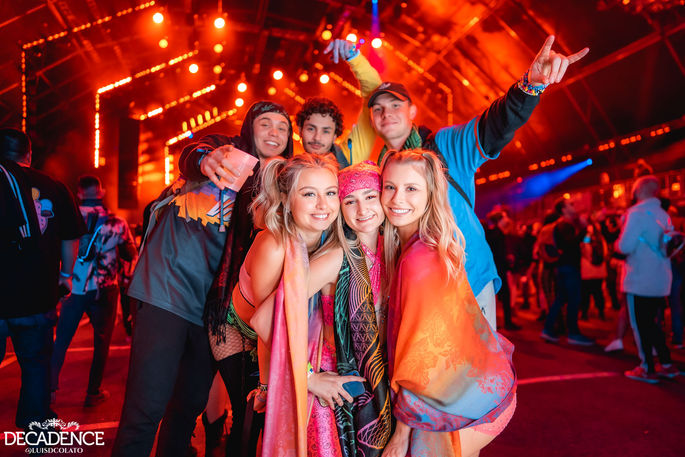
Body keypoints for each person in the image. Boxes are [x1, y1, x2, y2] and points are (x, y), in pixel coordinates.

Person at [367, 35, 589, 331]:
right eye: (378, 109)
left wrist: (530, 86)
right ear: (372, 119)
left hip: (466, 278)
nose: (387, 113)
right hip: (415, 286)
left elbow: (493, 127)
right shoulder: (377, 170)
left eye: (395, 105)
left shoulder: (444, 146)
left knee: (476, 362)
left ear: (413, 111)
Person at [112, 101, 294, 457]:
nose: (274, 132)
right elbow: (195, 154)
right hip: (166, 291)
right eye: (265, 123)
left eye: (282, 127)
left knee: (187, 405)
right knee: (146, 406)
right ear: (248, 128)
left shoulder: (277, 188)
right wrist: (205, 159)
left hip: (212, 308)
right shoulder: (229, 152)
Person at [379, 149, 516, 457]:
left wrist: (401, 434)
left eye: (411, 188)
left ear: (431, 195)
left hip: (463, 401)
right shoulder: (422, 245)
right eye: (390, 186)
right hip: (471, 389)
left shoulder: (420, 259)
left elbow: (421, 358)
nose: (397, 198)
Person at [244, 153, 365, 457]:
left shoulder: (329, 235)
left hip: (283, 333)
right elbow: (266, 325)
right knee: (255, 426)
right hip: (243, 331)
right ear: (286, 199)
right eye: (309, 194)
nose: (323, 205)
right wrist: (306, 379)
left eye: (330, 193)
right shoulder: (273, 245)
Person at [0, 127, 85, 429]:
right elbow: (71, 236)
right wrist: (66, 275)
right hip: (35, 294)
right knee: (36, 366)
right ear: (29, 153)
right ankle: (35, 430)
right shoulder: (53, 186)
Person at [307, 161, 392, 456]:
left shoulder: (392, 252)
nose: (362, 209)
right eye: (350, 201)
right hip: (336, 391)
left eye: (370, 197)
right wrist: (308, 377)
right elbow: (269, 315)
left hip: (377, 387)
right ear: (340, 209)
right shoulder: (336, 257)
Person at [50, 175, 137, 406]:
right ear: (101, 192)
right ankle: (93, 392)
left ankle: (48, 390)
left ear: (79, 193)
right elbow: (130, 254)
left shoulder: (67, 218)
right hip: (105, 289)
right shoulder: (117, 222)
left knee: (61, 340)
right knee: (101, 342)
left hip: (74, 287)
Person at [618, 176, 679, 383]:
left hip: (639, 278)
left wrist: (617, 244)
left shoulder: (636, 213)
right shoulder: (664, 214)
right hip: (661, 278)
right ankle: (666, 364)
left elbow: (625, 246)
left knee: (640, 325)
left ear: (638, 191)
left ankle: (647, 368)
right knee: (653, 324)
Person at [296, 39, 381, 167]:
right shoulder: (288, 169)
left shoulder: (349, 156)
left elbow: (374, 96)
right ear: (300, 130)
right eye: (311, 129)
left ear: (335, 135)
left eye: (326, 131)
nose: (317, 138)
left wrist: (354, 57)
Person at [540, 197, 594, 345]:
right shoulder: (564, 225)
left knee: (561, 298)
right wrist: (584, 230)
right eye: (570, 204)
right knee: (573, 300)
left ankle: (548, 329)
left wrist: (586, 234)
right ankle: (573, 333)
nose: (573, 206)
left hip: (565, 266)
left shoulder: (565, 225)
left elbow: (580, 243)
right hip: (569, 267)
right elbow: (570, 245)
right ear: (563, 210)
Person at [579, 219, 607, 321]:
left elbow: (585, 249)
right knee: (598, 292)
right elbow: (605, 253)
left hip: (587, 271)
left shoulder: (587, 238)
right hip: (599, 271)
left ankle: (584, 313)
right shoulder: (601, 239)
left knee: (585, 293)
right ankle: (601, 312)